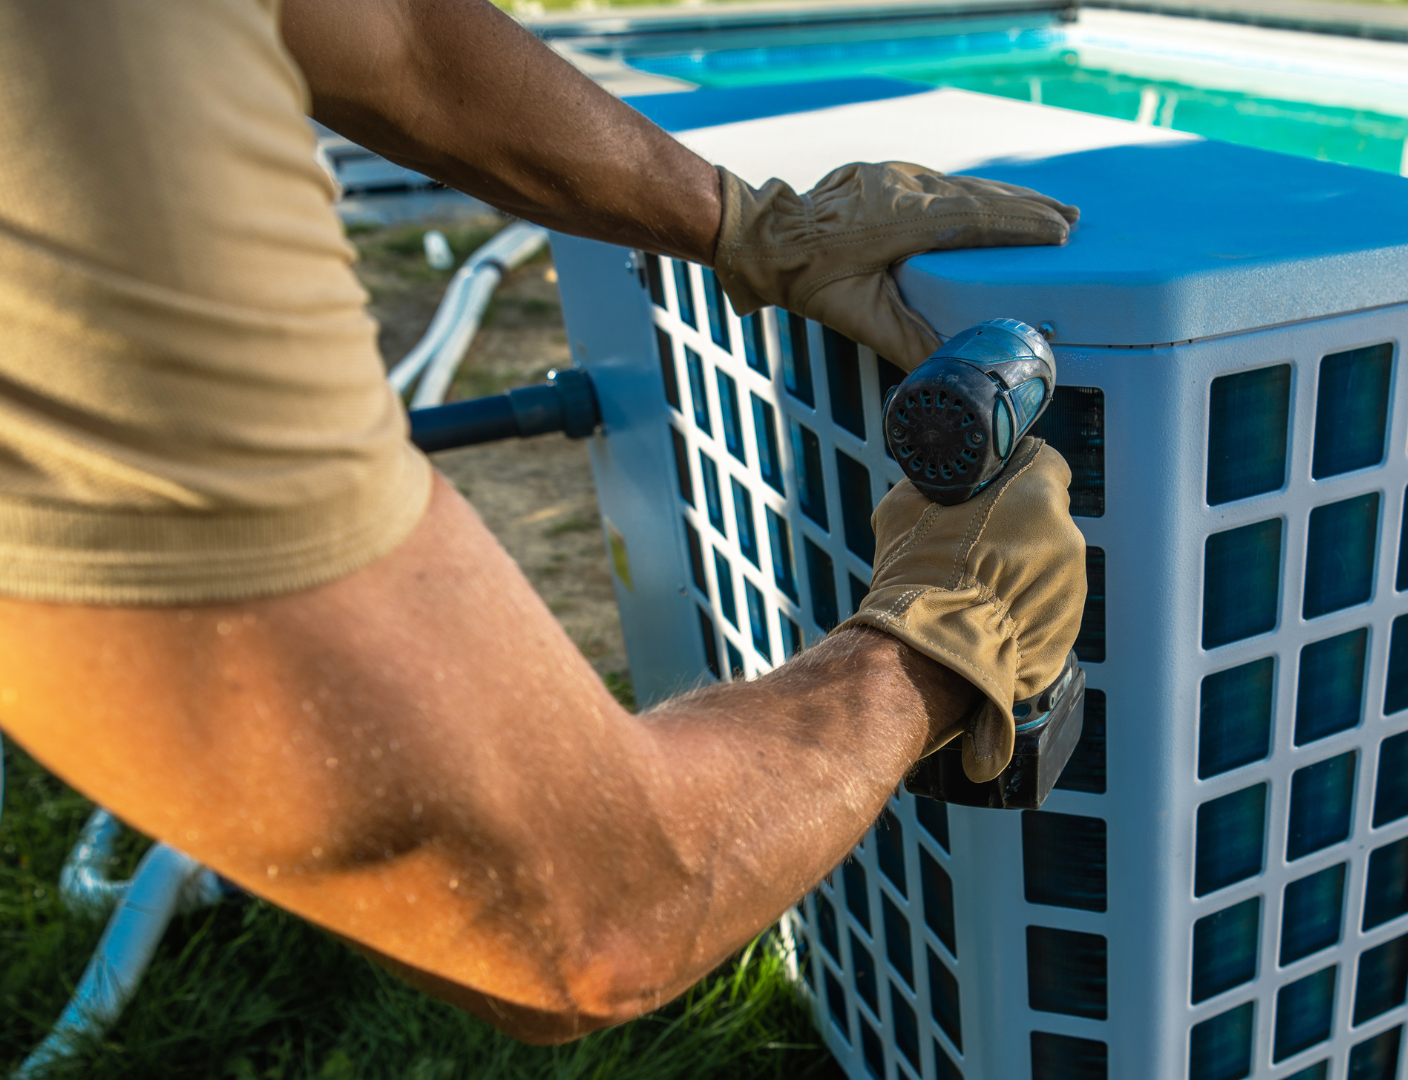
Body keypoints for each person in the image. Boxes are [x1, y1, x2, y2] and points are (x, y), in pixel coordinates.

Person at [0, 0, 1086, 1045]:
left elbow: (404, 40)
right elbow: (583, 917)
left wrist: (762, 227)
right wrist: (944, 642)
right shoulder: (81, 115)